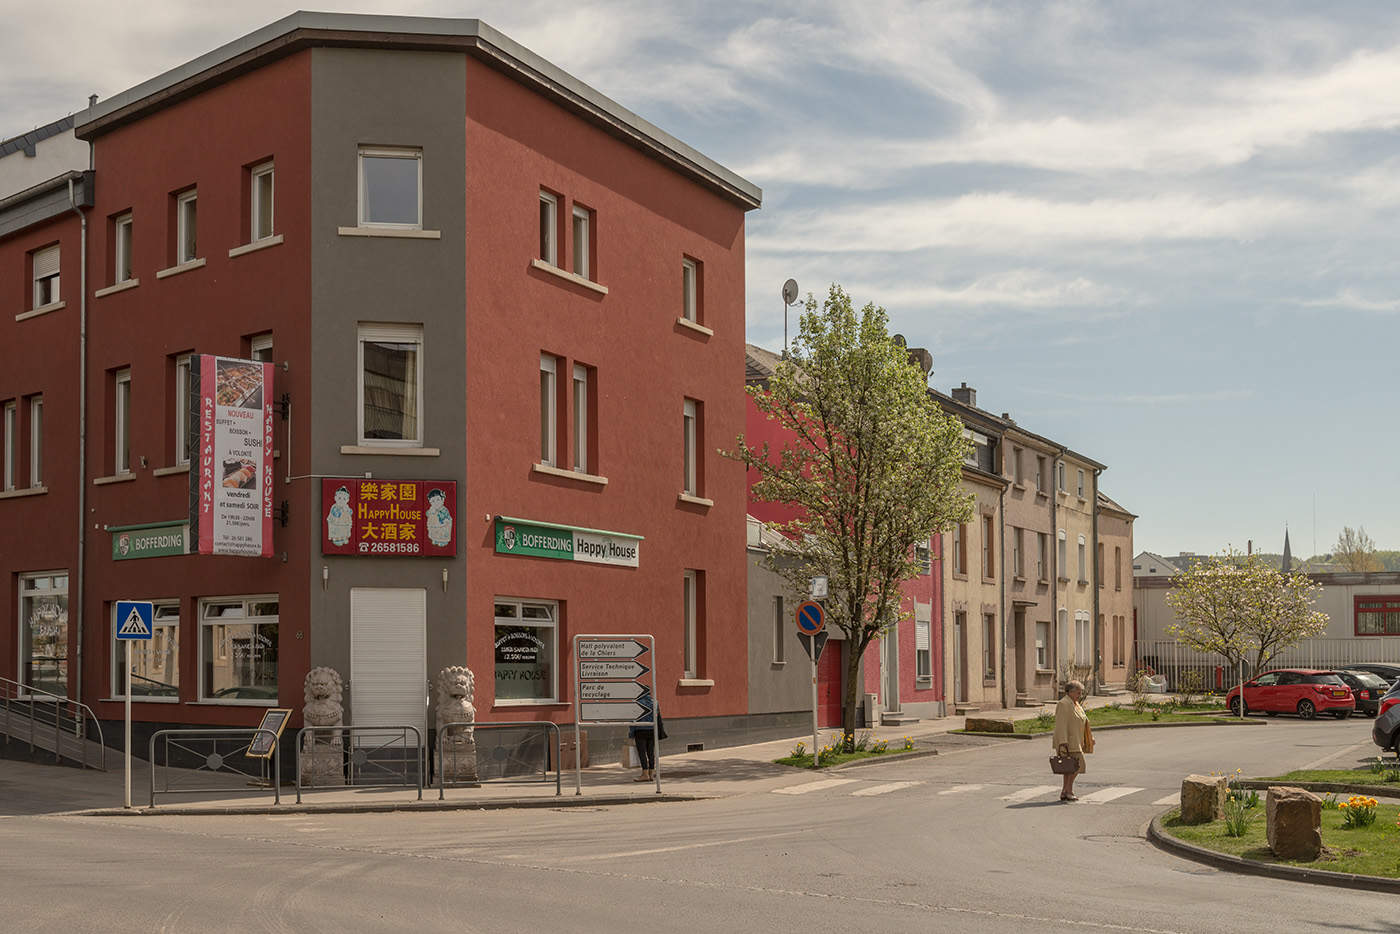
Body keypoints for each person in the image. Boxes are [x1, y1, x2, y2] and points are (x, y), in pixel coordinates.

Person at [1052, 679, 1092, 801]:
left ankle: (1065, 791)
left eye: (1080, 693)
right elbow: (1061, 724)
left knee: (1068, 768)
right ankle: (1068, 790)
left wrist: (1090, 737)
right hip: (1068, 742)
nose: (1080, 695)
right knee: (1077, 766)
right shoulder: (1064, 704)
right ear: (1070, 692)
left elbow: (1083, 721)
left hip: (1077, 740)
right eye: (1078, 692)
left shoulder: (1076, 704)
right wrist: (1063, 742)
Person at [629, 693, 665, 782]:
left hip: (640, 730)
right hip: (652, 730)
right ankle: (651, 774)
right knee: (651, 752)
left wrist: (631, 733)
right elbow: (658, 717)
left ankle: (644, 774)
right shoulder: (655, 702)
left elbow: (633, 719)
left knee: (642, 753)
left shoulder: (637, 703)